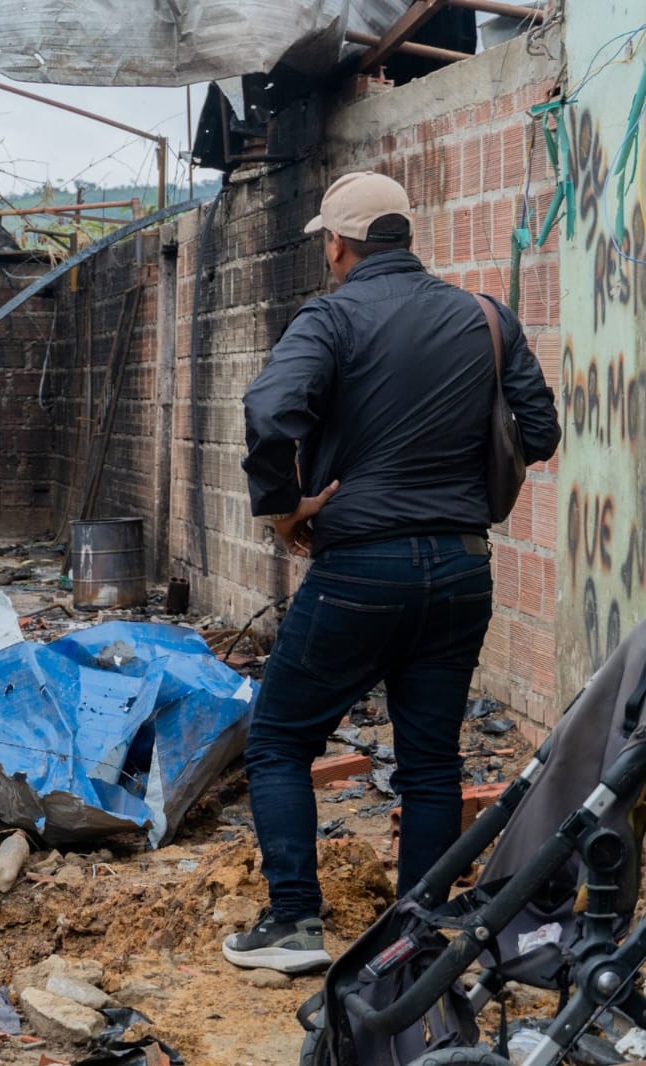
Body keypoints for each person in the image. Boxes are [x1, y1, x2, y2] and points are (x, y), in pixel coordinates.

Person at [222, 171, 559, 974]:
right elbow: (539, 432)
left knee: (276, 739)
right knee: (432, 760)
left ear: (338, 246)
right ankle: (416, 940)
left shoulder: (330, 317)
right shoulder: (485, 318)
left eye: (326, 246)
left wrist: (284, 508)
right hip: (461, 569)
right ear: (404, 237)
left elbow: (270, 414)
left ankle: (295, 924)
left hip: (360, 571)